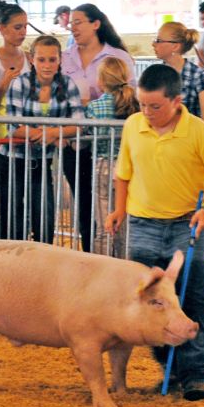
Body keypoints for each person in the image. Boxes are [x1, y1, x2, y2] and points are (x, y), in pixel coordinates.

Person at [105, 64, 204, 401]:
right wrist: (120, 209)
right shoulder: (134, 126)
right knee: (150, 301)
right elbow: (124, 173)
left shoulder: (200, 132)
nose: (147, 113)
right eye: (143, 105)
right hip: (142, 224)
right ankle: (170, 369)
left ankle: (199, 375)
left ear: (177, 101)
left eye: (155, 106)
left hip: (186, 224)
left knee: (191, 299)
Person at [61, 3, 136, 252]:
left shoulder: (118, 56)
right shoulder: (64, 57)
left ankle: (116, 260)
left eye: (78, 21)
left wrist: (89, 105)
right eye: (71, 22)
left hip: (108, 149)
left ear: (96, 24)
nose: (73, 27)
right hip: (76, 144)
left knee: (115, 205)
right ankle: (92, 259)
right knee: (85, 204)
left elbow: (131, 97)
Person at [3, 34, 84, 245]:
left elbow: (78, 124)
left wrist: (51, 134)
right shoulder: (19, 84)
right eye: (41, 59)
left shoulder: (67, 84)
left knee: (45, 222)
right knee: (13, 223)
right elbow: (15, 127)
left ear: (59, 60)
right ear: (32, 59)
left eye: (52, 59)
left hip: (42, 163)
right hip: (12, 162)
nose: (47, 65)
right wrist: (56, 133)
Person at [85, 57, 139, 257]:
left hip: (103, 165)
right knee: (126, 225)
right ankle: (128, 270)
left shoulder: (94, 108)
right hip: (130, 168)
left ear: (101, 81)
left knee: (104, 224)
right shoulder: (136, 105)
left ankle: (103, 271)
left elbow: (88, 136)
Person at [152, 21, 204, 126]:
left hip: (189, 136)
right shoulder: (153, 74)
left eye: (158, 40)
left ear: (175, 46)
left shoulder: (199, 76)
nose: (153, 44)